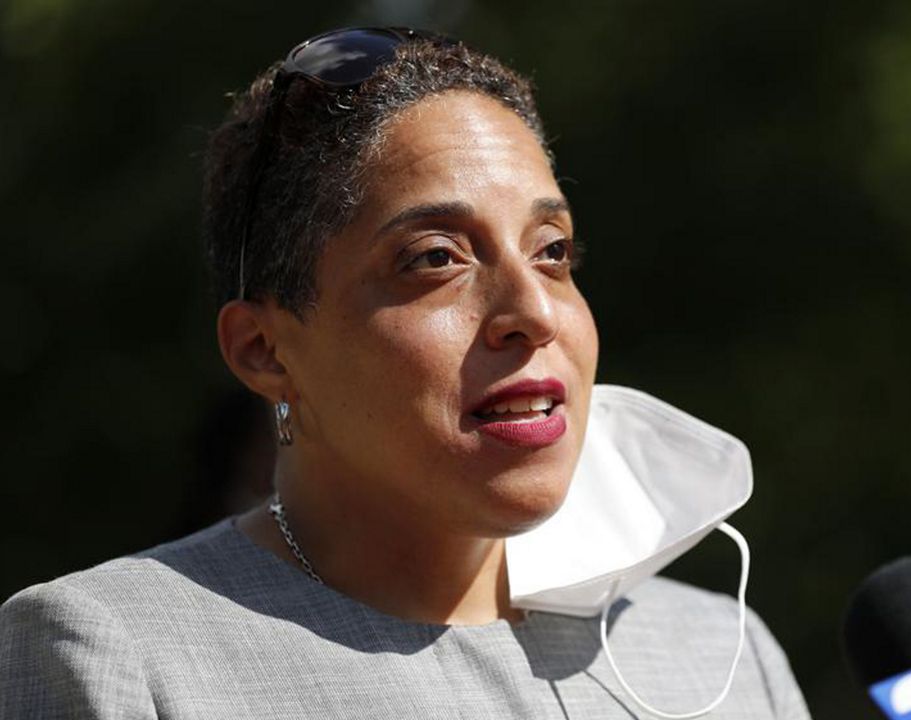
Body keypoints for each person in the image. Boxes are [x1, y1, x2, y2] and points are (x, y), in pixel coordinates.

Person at [0, 27, 810, 719]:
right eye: (435, 259)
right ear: (265, 351)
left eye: (553, 252)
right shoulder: (117, 658)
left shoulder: (722, 658)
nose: (535, 311)